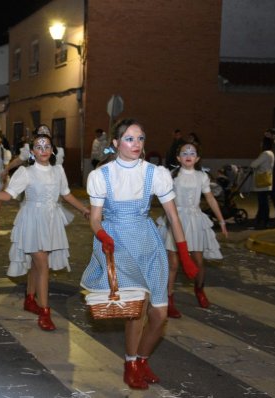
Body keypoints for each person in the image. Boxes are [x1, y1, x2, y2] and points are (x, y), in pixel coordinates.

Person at [80, 118, 199, 390]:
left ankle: (142, 359)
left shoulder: (155, 173)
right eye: (130, 138)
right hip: (117, 243)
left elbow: (173, 216)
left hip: (148, 242)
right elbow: (95, 219)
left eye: (140, 138)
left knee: (160, 315)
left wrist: (184, 253)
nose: (136, 144)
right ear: (116, 143)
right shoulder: (101, 176)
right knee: (138, 306)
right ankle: (130, 363)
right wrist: (102, 235)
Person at [0, 133, 90, 331]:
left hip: (51, 220)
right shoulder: (26, 172)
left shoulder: (58, 170)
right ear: (32, 151)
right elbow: (8, 195)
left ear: (52, 150)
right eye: (38, 146)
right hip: (32, 221)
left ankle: (29, 298)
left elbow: (66, 194)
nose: (43, 150)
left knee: (37, 264)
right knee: (42, 264)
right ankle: (45, 311)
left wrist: (84, 210)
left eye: (46, 146)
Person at [156, 142, 228, 318]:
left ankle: (199, 290)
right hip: (175, 220)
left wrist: (222, 221)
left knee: (198, 261)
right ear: (179, 158)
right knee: (173, 264)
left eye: (192, 153)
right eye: (184, 153)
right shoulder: (172, 176)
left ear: (197, 158)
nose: (188, 155)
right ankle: (169, 299)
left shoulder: (202, 177)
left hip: (195, 220)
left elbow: (210, 199)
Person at [250, 136, 275, 229]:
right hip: (267, 180)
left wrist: (252, 165)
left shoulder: (265, 154)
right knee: (264, 202)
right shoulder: (271, 153)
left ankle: (263, 221)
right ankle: (260, 220)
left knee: (263, 203)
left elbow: (254, 164)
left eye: (262, 143)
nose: (260, 144)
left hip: (262, 181)